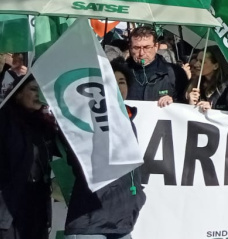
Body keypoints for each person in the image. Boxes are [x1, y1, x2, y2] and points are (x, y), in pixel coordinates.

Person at [63, 60, 146, 239]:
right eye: (111, 81)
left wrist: (138, 195)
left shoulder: (128, 119)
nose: (117, 86)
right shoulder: (84, 119)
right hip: (91, 222)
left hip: (121, 224)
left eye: (122, 82)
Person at [0, 75, 55, 239]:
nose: (39, 94)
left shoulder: (44, 125)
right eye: (33, 89)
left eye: (41, 90)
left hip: (37, 206)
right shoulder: (5, 119)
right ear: (17, 94)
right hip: (10, 207)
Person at [125, 26, 188, 106]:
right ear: (130, 48)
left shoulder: (175, 73)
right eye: (136, 48)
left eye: (147, 47)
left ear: (156, 47)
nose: (141, 53)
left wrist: (173, 101)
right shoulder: (120, 73)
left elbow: (185, 104)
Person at [186, 47, 228, 112]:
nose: (196, 64)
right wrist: (191, 104)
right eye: (197, 60)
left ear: (215, 66)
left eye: (202, 62)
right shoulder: (194, 84)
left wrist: (213, 107)